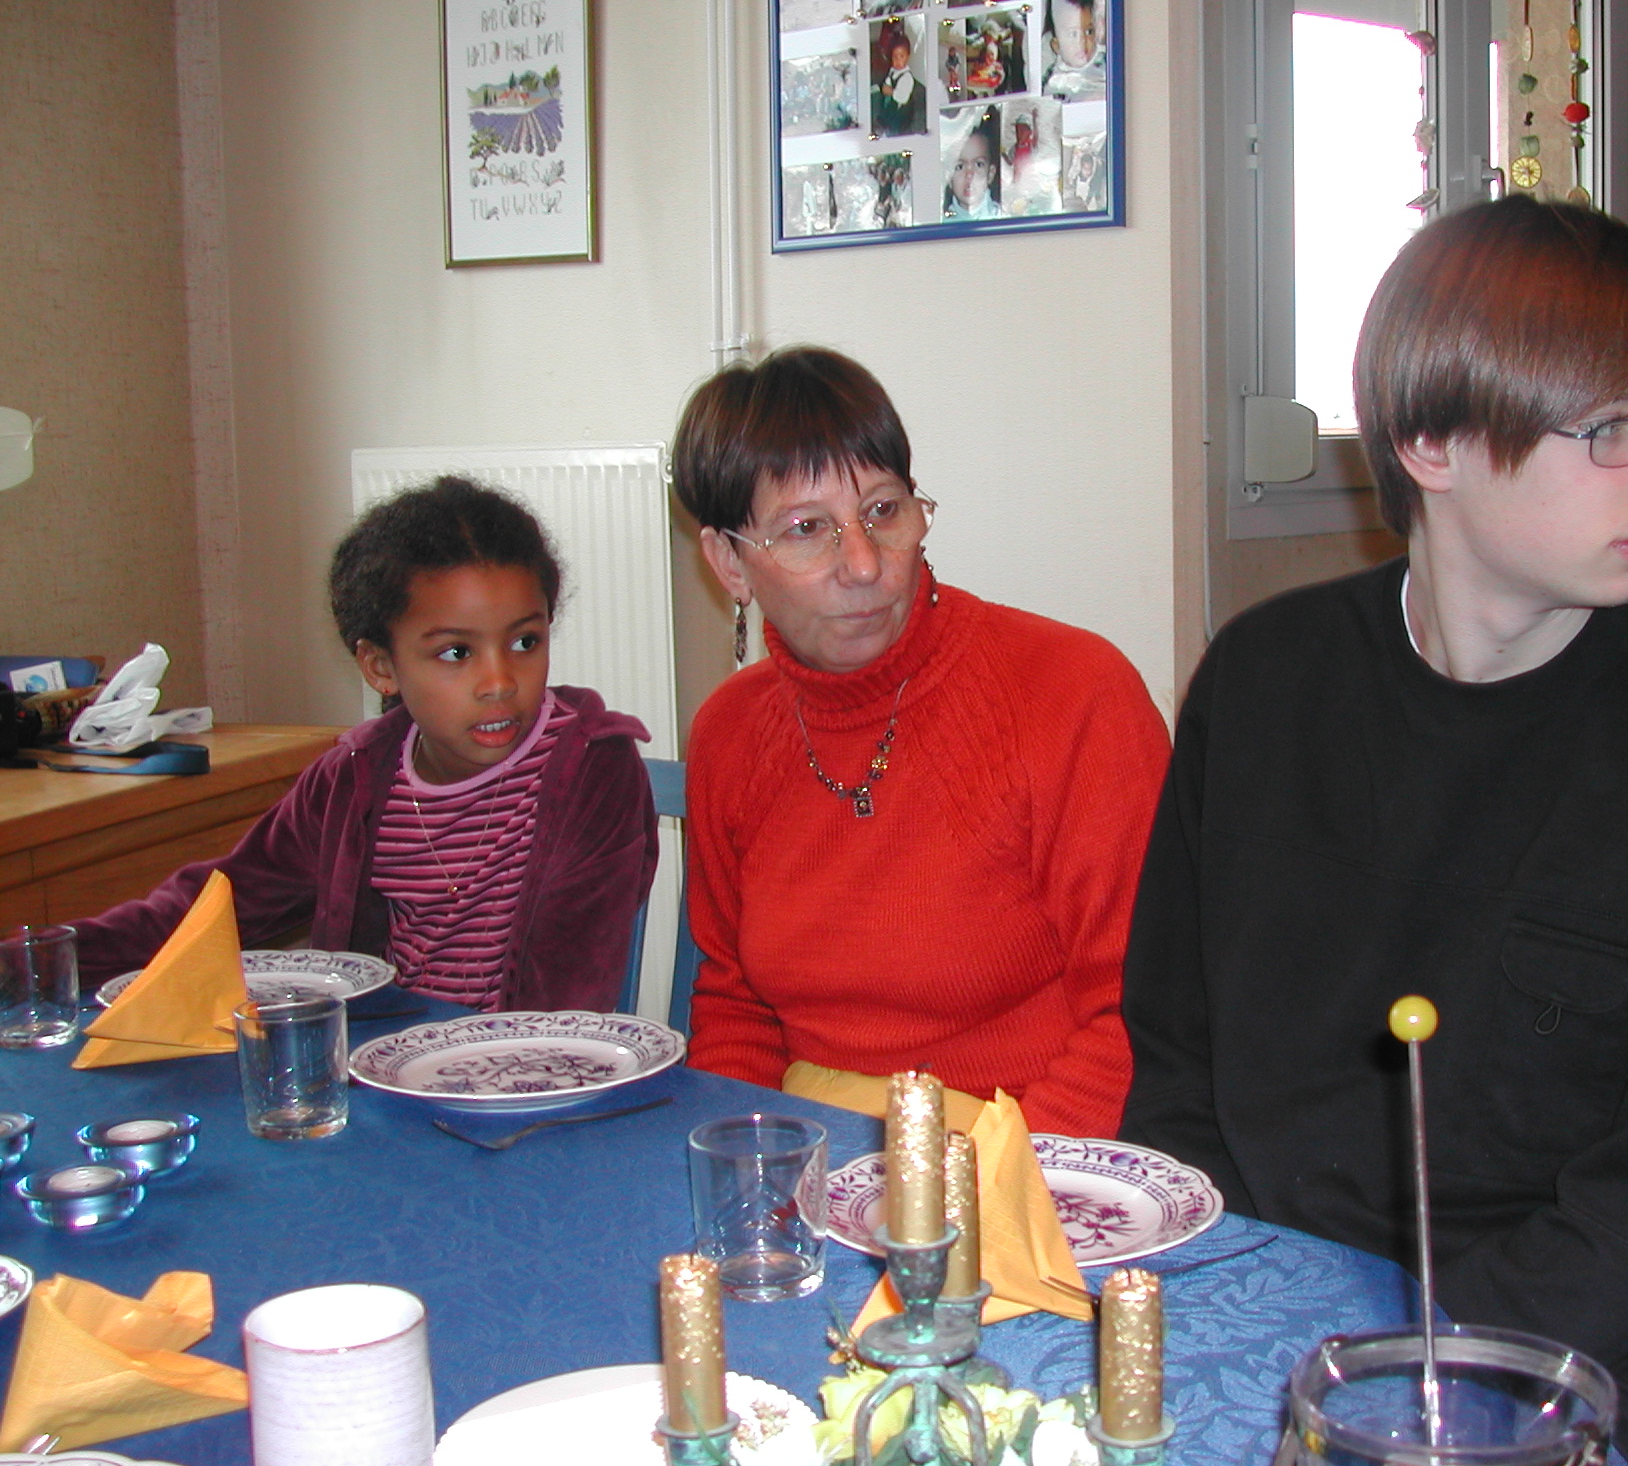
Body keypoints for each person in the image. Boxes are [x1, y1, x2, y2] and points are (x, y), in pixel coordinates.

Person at [1119, 196, 1628, 1466]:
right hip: (1289, 1301)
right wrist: (1227, 1300)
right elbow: (1176, 1066)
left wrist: (1417, 1373)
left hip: (1625, 1351)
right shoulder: (1260, 683)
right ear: (1430, 444)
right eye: (1614, 430)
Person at [672, 345, 1168, 1137]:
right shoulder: (729, 734)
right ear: (729, 561)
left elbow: (1143, 1010)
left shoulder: (1074, 694)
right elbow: (737, 1008)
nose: (864, 564)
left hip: (1031, 1147)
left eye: (883, 511)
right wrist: (751, 1171)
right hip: (815, 1148)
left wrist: (987, 1186)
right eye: (807, 529)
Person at [74, 476, 659, 1013]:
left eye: (525, 642)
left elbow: (567, 998)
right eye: (457, 652)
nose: (500, 681)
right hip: (377, 1063)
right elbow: (217, 909)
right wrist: (54, 956)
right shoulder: (354, 778)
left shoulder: (591, 767)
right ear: (381, 666)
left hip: (522, 1073)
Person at [1041, 0, 1106, 102]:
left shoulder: (1104, 61)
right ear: (1056, 46)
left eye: (1089, 32)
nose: (1082, 41)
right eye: (1073, 34)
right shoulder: (1055, 79)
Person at [869, 21, 926, 138]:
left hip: (900, 112)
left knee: (894, 124)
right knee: (884, 112)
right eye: (895, 57)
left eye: (901, 56)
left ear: (908, 56)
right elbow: (889, 80)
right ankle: (882, 125)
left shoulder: (907, 78)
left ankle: (891, 132)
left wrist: (891, 91)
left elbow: (903, 98)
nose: (898, 60)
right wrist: (885, 86)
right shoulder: (893, 71)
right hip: (890, 105)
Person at [944, 111, 1003, 220]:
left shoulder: (1002, 218)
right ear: (949, 178)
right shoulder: (941, 222)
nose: (969, 175)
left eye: (978, 164)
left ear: (990, 174)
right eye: (959, 167)